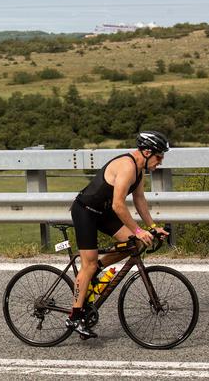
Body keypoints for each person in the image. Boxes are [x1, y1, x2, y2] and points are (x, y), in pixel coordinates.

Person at [66, 131, 171, 338]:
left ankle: (98, 270)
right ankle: (74, 316)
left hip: (103, 213)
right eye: (159, 157)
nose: (160, 162)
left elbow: (139, 199)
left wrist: (152, 227)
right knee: (88, 263)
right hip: (85, 212)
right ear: (147, 152)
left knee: (135, 244)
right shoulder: (127, 166)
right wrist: (139, 230)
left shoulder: (139, 170)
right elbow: (118, 204)